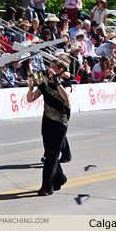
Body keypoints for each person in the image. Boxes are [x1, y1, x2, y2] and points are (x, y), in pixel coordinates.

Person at [27, 59, 71, 196]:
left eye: (53, 67)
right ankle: (60, 178)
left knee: (51, 156)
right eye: (49, 66)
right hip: (47, 121)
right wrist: (30, 87)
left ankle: (47, 186)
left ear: (60, 70)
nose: (50, 69)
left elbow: (65, 96)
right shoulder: (44, 85)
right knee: (49, 153)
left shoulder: (66, 84)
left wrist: (57, 81)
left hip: (60, 122)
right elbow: (31, 99)